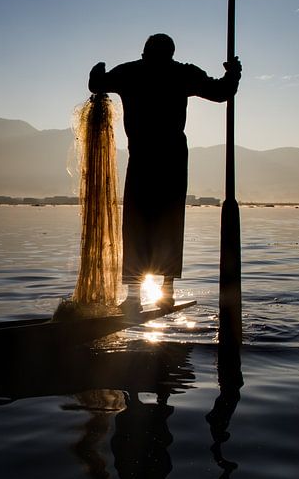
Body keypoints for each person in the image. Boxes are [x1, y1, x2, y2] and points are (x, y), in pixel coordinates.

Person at [88, 33, 241, 312]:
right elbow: (222, 92)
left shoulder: (131, 72)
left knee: (137, 222)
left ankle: (135, 296)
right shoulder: (181, 73)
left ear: (145, 52)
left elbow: (97, 83)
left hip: (145, 158)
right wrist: (233, 74)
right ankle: (165, 290)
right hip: (170, 158)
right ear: (170, 53)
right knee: (169, 221)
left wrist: (98, 69)